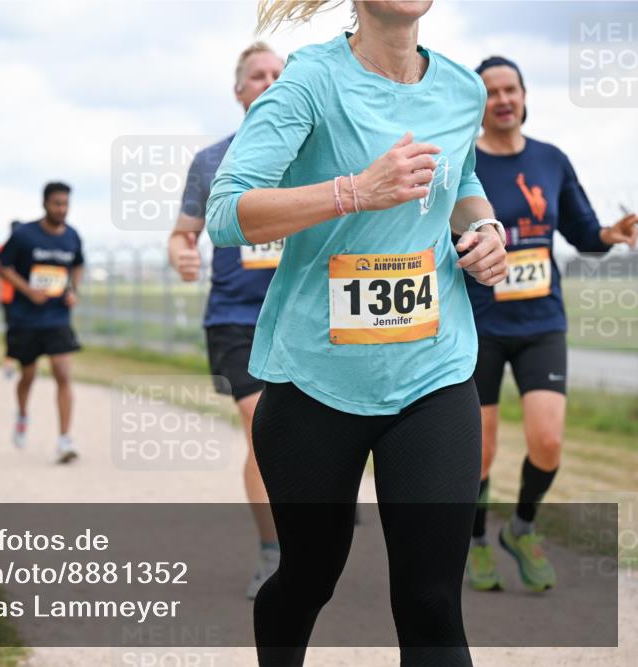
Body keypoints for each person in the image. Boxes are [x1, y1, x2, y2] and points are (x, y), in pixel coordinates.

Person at [207, 1, 509, 664]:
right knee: (310, 578)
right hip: (316, 380)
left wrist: (486, 229)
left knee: (432, 602)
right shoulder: (311, 80)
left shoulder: (462, 89)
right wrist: (352, 191)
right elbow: (227, 212)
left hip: (435, 371)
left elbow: (466, 179)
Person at [464, 56, 638, 593]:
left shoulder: (551, 160)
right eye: (490, 92)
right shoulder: (464, 162)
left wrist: (612, 233)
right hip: (481, 323)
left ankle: (522, 527)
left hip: (542, 321)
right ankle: (474, 542)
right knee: (481, 450)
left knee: (549, 441)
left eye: (510, 88)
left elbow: (584, 232)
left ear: (523, 93)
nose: (502, 99)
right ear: (479, 103)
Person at [168, 42, 285, 599]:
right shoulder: (213, 161)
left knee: (314, 435)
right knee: (265, 428)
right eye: (256, 76)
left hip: (305, 316)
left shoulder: (323, 154)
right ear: (239, 91)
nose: (267, 82)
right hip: (237, 319)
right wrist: (182, 254)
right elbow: (181, 233)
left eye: (277, 74)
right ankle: (273, 552)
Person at [0, 182, 84, 464]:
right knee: (29, 375)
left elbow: (78, 265)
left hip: (57, 318)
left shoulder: (72, 237)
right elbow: (3, 266)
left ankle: (64, 440)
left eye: (66, 204)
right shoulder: (24, 235)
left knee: (63, 374)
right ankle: (22, 414)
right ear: (45, 204)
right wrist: (27, 290)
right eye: (57, 203)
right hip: (26, 319)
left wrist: (74, 290)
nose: (62, 209)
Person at [0, 220, 23, 380]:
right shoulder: (2, 249)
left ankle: (25, 363)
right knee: (12, 331)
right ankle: (9, 363)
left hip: (26, 298)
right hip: (8, 297)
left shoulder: (27, 249)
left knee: (28, 331)